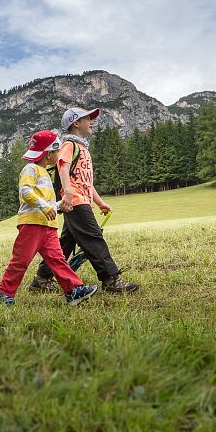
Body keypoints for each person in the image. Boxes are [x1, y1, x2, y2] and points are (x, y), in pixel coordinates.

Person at [30, 108, 140, 294]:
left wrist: (99, 203)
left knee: (65, 244)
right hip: (75, 202)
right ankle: (111, 280)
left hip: (80, 201)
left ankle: (42, 279)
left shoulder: (83, 148)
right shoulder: (69, 145)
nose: (92, 121)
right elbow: (63, 168)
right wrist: (68, 195)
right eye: (88, 118)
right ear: (76, 123)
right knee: (94, 238)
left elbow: (87, 183)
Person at [0, 130, 98, 306]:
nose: (59, 155)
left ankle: (73, 291)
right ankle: (3, 293)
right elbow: (25, 191)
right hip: (32, 225)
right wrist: (46, 206)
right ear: (49, 153)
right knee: (21, 261)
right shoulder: (30, 169)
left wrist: (59, 205)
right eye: (57, 152)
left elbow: (47, 204)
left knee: (58, 260)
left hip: (48, 226)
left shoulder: (43, 172)